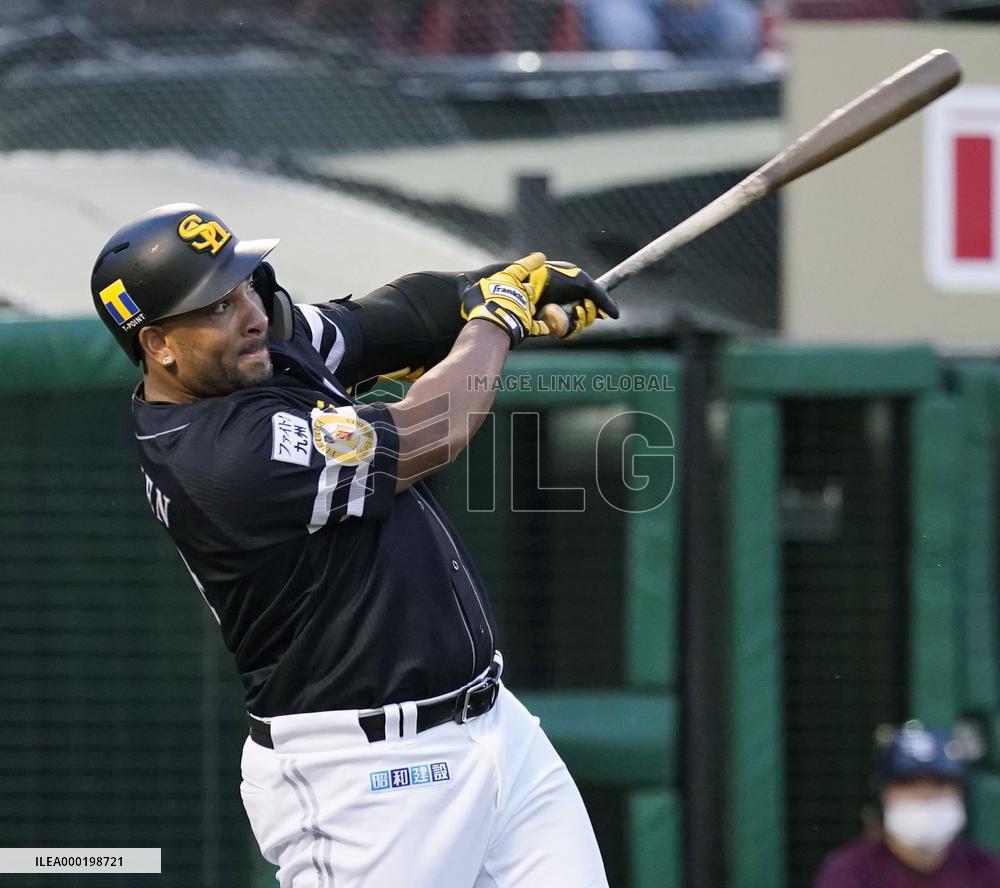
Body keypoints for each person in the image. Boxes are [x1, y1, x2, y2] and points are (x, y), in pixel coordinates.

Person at [90, 203, 617, 887]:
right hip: (366, 776)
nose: (251, 314)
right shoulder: (220, 458)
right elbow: (433, 428)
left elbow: (392, 316)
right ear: (159, 343)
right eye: (217, 306)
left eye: (244, 286)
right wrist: (494, 324)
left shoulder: (254, 354)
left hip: (497, 733)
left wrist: (496, 286)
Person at [813, 720, 1000, 888]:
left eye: (939, 783)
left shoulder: (988, 871)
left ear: (960, 793)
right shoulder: (850, 872)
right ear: (883, 795)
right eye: (908, 783)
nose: (925, 794)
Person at [579, 0, 761, 62]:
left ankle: (708, 105)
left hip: (703, 9)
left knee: (738, 25)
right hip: (631, 5)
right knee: (625, 32)